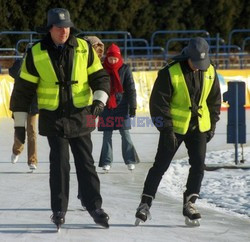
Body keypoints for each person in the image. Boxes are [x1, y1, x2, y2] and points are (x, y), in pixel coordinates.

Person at [10, 8, 110, 229]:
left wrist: (99, 99)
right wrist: (19, 127)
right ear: (50, 29)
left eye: (67, 27)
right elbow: (22, 91)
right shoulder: (36, 52)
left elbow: (100, 76)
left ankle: (95, 206)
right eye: (59, 27)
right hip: (53, 118)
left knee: (86, 163)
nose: (64, 31)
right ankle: (58, 210)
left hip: (82, 115)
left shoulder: (84, 48)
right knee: (59, 165)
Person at [135, 37, 221, 226]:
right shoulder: (169, 73)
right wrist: (166, 130)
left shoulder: (210, 71)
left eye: (202, 63)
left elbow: (214, 101)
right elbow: (158, 104)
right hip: (173, 129)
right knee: (160, 166)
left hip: (199, 127)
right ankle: (145, 204)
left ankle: (190, 203)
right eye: (196, 63)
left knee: (198, 166)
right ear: (187, 56)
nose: (199, 67)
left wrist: (212, 125)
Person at [98, 43, 139, 172]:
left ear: (119, 58)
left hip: (122, 105)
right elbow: (97, 87)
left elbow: (131, 88)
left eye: (115, 58)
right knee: (107, 135)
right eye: (110, 58)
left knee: (125, 133)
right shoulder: (101, 68)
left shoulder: (125, 69)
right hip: (106, 106)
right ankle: (106, 162)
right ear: (107, 58)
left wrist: (133, 106)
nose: (113, 61)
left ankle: (130, 160)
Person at [9, 56, 39, 171]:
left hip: (32, 102)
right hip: (20, 101)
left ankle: (32, 160)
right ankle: (16, 150)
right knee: (20, 129)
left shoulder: (39, 66)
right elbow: (13, 72)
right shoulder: (19, 63)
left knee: (32, 131)